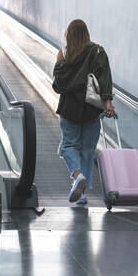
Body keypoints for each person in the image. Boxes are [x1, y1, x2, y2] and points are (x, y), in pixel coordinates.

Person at [52, 19, 117, 204]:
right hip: (91, 109)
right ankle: (82, 193)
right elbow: (105, 78)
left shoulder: (63, 53)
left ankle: (77, 176)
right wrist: (108, 102)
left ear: (69, 34)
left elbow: (58, 85)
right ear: (86, 33)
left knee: (68, 146)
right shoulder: (97, 51)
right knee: (87, 150)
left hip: (69, 109)